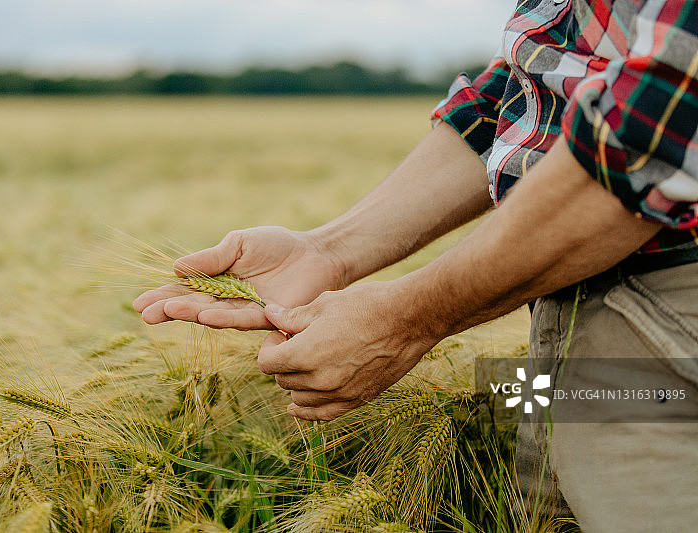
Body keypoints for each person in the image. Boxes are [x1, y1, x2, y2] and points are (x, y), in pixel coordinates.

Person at [133, 0, 698, 530]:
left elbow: (652, 132)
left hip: (669, 315)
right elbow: (538, 86)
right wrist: (329, 250)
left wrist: (409, 317)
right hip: (572, 301)